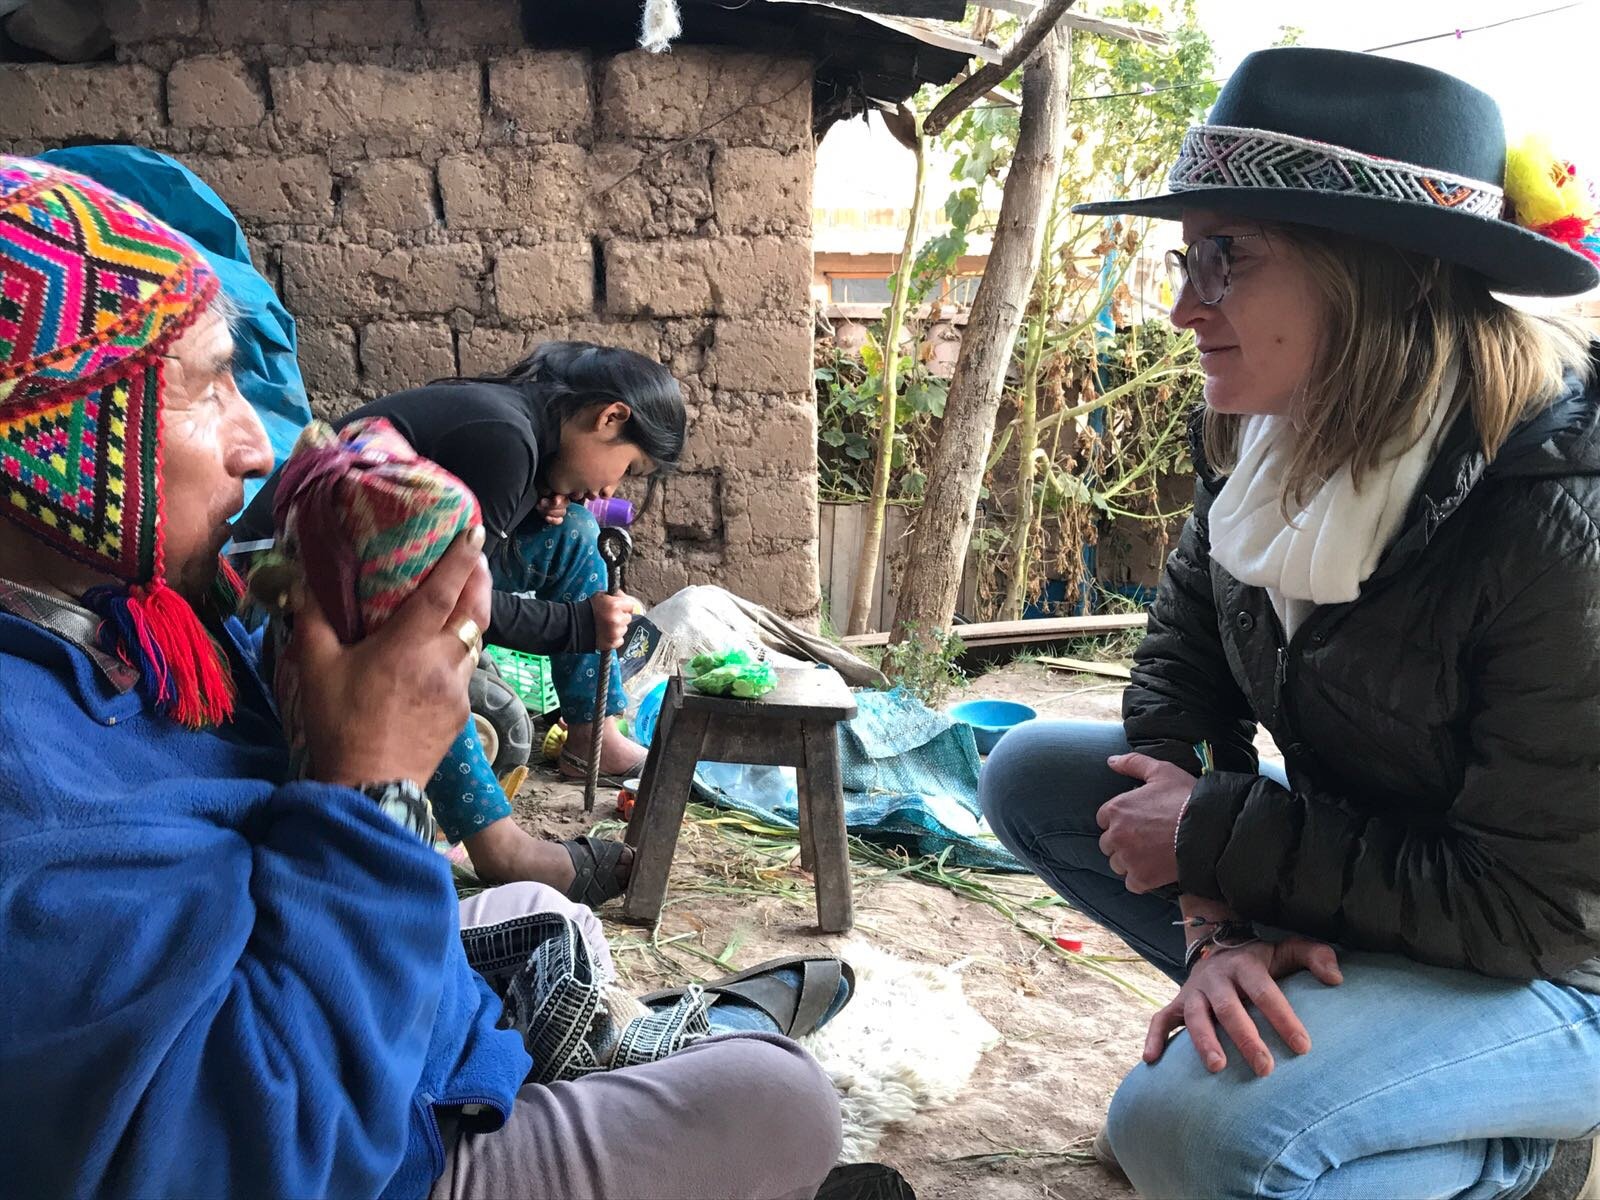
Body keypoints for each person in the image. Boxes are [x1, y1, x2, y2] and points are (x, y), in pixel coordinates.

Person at [0, 156, 848, 1200]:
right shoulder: (27, 777)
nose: (257, 446)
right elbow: (255, 1156)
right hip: (360, 1151)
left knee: (549, 917)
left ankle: (594, 1032)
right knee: (783, 1101)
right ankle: (678, 1039)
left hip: (359, 1034)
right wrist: (374, 783)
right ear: (53, 436)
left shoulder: (128, 626)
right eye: (205, 388)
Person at [980, 48, 1600, 1200]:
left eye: (1227, 258)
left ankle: (1513, 1147)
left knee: (1186, 1137)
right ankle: (1373, 1062)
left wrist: (1215, 833)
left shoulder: (1557, 516)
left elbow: (1539, 908)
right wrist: (1216, 930)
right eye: (1186, 258)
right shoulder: (1262, 440)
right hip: (1382, 881)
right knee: (1031, 771)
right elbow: (1179, 680)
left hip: (1555, 963)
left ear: (1380, 277)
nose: (1182, 306)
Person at [235, 340, 688, 900]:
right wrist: (577, 625)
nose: (610, 490)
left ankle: (594, 734)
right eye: (628, 467)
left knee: (574, 534)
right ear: (610, 417)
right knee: (428, 652)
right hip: (279, 593)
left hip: (342, 575)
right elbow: (453, 602)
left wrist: (538, 502)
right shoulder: (505, 441)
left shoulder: (515, 426)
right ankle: (497, 844)